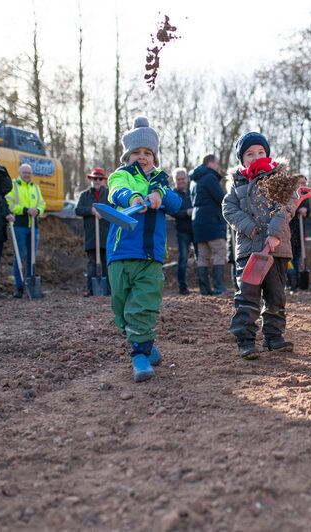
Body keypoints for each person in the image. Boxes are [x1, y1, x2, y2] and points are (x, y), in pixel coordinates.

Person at [106, 116, 182, 382]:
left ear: (154, 156)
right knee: (120, 308)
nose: (142, 156)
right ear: (127, 156)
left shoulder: (161, 180)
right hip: (119, 253)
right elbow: (116, 191)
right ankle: (145, 343)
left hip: (149, 255)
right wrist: (134, 197)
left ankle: (139, 354)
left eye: (147, 152)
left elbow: (176, 203)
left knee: (144, 304)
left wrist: (160, 196)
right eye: (136, 152)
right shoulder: (121, 176)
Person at [222, 132, 294, 359]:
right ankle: (246, 340)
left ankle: (273, 336)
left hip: (277, 249)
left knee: (276, 295)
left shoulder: (279, 180)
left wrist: (274, 234)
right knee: (247, 295)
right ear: (242, 160)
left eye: (260, 152)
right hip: (248, 250)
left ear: (268, 154)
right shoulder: (236, 186)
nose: (256, 156)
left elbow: (286, 207)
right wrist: (251, 227)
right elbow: (229, 210)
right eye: (250, 153)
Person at [5, 163, 46, 298]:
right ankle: (19, 287)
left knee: (32, 257)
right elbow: (9, 204)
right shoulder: (14, 186)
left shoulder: (35, 188)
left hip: (34, 227)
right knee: (19, 256)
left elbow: (42, 204)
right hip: (19, 226)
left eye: (29, 172)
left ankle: (31, 284)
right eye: (24, 172)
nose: (27, 175)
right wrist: (25, 210)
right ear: (20, 173)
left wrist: (38, 210)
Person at [189, 154, 228, 295]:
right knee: (219, 251)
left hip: (197, 220)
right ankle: (219, 287)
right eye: (216, 163)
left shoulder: (194, 180)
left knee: (203, 255)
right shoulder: (210, 178)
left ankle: (204, 289)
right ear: (210, 163)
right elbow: (220, 198)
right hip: (212, 219)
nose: (218, 166)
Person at [75, 167, 111, 297]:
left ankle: (108, 289)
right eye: (95, 178)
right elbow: (78, 210)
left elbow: (113, 209)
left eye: (100, 179)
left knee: (107, 262)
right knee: (92, 263)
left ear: (103, 181)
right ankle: (91, 289)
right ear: (91, 179)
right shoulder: (85, 195)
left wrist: (103, 212)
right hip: (91, 234)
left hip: (106, 234)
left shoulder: (108, 194)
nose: (97, 181)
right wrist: (91, 210)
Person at [171, 167, 194, 295]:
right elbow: (173, 212)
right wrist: (186, 212)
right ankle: (182, 287)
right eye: (178, 179)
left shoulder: (193, 190)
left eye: (183, 178)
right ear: (175, 181)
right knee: (183, 258)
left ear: (187, 178)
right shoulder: (173, 195)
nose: (181, 181)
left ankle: (203, 286)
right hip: (182, 230)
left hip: (196, 229)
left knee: (201, 257)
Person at [287, 174, 310, 293]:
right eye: (301, 183)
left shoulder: (305, 196)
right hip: (289, 231)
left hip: (300, 231)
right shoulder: (289, 195)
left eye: (305, 183)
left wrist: (306, 211)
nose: (304, 186)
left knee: (297, 258)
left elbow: (307, 210)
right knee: (288, 259)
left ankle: (295, 284)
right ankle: (290, 282)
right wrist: (297, 211)